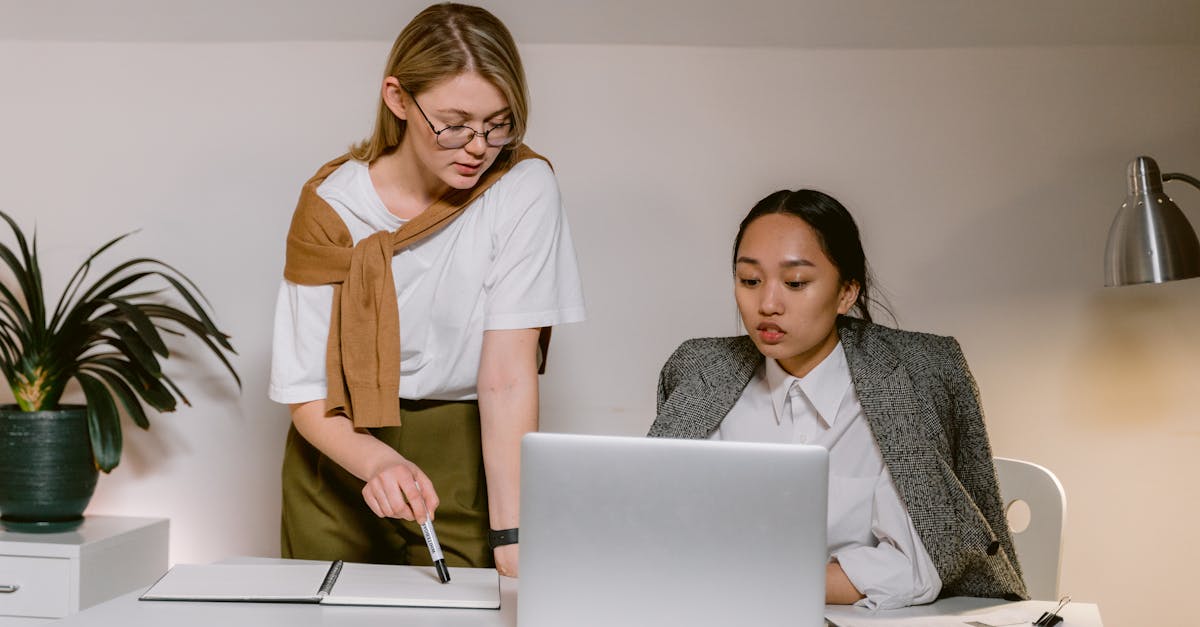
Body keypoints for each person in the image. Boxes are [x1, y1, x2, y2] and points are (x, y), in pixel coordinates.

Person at [269, 3, 585, 578]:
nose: (477, 146)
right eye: (455, 121)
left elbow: (508, 374)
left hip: (469, 448)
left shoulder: (522, 187)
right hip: (341, 450)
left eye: (498, 122)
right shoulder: (331, 207)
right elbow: (306, 391)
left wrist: (514, 537)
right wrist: (376, 459)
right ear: (398, 99)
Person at [647, 189, 1026, 608]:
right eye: (749, 281)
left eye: (795, 283)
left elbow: (920, 563)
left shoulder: (911, 379)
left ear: (846, 292)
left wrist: (753, 582)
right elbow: (657, 527)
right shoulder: (698, 372)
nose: (767, 304)